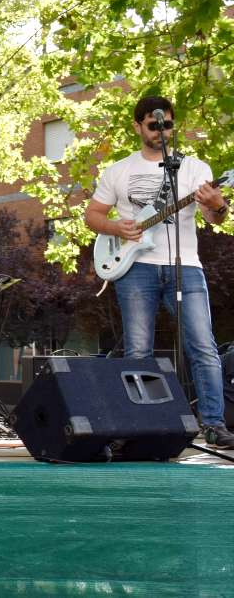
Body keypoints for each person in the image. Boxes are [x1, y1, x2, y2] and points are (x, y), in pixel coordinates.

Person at [84, 95, 234, 448]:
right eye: (154, 125)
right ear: (138, 126)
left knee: (203, 347)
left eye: (167, 124)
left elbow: (214, 217)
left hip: (186, 266)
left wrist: (219, 205)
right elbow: (92, 216)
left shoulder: (195, 168)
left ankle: (213, 424)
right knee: (138, 350)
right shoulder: (118, 170)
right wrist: (118, 229)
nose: (161, 131)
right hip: (136, 267)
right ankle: (140, 423)